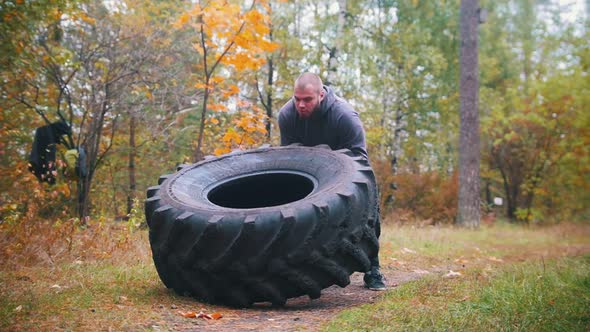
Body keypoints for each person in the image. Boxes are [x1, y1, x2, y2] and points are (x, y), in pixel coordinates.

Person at [278, 72, 386, 291]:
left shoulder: (344, 116)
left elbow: (360, 161)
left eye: (307, 99)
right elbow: (287, 156)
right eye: (297, 98)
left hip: (346, 173)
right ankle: (296, 266)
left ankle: (373, 268)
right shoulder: (287, 115)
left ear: (321, 95)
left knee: (370, 205)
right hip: (307, 173)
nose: (300, 105)